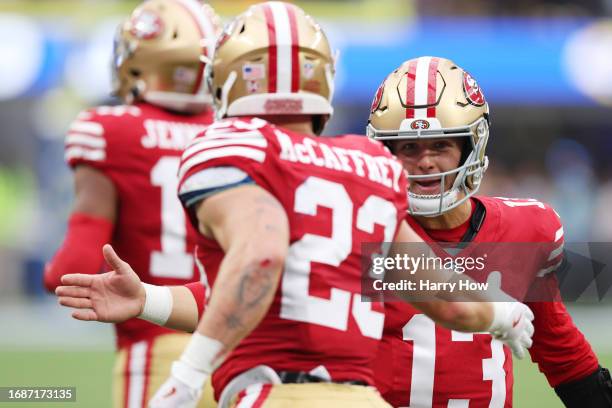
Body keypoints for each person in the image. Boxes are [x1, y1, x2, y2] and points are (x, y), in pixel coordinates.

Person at [55, 3, 535, 408]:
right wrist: (503, 314)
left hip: (273, 392)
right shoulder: (367, 162)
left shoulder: (231, 145)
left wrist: (188, 372)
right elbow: (441, 293)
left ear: (226, 78)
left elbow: (261, 257)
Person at [367, 56, 612, 407]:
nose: (425, 161)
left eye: (440, 145)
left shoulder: (524, 229)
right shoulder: (363, 228)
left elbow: (562, 352)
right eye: (409, 147)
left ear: (471, 147)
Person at [43, 1, 220, 406]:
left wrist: (50, 273)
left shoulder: (110, 130)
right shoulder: (238, 136)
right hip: (243, 352)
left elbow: (71, 269)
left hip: (157, 347)